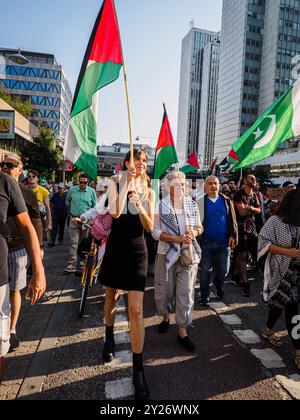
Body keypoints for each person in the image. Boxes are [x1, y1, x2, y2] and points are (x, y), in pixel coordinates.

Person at [99, 148, 154, 400]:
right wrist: (127, 184)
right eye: (136, 160)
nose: (141, 163)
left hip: (137, 252)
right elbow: (115, 213)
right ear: (126, 163)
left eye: (144, 160)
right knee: (111, 297)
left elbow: (150, 226)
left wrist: (140, 207)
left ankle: (138, 370)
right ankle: (109, 338)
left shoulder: (151, 190)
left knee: (137, 310)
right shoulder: (115, 182)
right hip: (116, 249)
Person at [0, 171, 46, 381]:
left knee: (15, 292)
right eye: (5, 164)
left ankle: (12, 330)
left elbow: (31, 225)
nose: (8, 168)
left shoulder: (7, 184)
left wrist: (39, 268)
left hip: (13, 256)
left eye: (12, 165)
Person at [153, 171, 202, 352]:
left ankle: (182, 330)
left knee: (185, 292)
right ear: (168, 188)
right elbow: (155, 233)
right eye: (176, 185)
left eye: (182, 184)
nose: (180, 187)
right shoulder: (161, 205)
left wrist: (193, 233)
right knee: (164, 291)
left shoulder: (192, 205)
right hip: (165, 254)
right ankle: (165, 317)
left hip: (187, 255)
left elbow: (200, 227)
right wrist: (176, 238)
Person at [258, 185, 300, 372]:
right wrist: (288, 252)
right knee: (292, 307)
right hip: (283, 270)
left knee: (279, 302)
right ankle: (299, 353)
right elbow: (263, 242)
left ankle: (267, 328)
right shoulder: (275, 221)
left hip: (298, 272)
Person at [197, 176, 238, 305]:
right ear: (205, 186)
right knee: (205, 271)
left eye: (215, 183)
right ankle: (204, 296)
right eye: (210, 183)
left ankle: (218, 286)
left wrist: (233, 236)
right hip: (206, 243)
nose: (213, 186)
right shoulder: (199, 202)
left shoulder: (226, 200)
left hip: (223, 243)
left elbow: (232, 220)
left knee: (223, 270)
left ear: (219, 185)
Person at [233, 174, 261, 297]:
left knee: (245, 253)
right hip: (240, 227)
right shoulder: (239, 194)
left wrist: (249, 207)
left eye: (255, 179)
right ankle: (245, 284)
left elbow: (259, 210)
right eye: (251, 178)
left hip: (252, 227)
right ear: (244, 181)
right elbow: (241, 212)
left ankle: (234, 274)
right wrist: (252, 209)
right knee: (243, 255)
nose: (254, 180)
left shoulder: (254, 195)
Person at [65, 174, 97, 273]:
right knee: (73, 242)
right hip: (74, 219)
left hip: (86, 221)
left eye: (85, 182)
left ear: (88, 183)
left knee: (84, 242)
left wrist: (92, 220)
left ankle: (83, 262)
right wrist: (70, 215)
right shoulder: (72, 190)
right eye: (81, 182)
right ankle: (72, 264)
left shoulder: (92, 192)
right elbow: (68, 202)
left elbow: (94, 206)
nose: (83, 184)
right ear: (78, 181)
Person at [27, 169, 52, 236]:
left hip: (39, 218)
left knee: (39, 242)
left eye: (33, 176)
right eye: (29, 176)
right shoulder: (24, 189)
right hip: (27, 218)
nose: (31, 178)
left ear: (37, 178)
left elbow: (47, 207)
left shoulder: (43, 190)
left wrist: (49, 223)